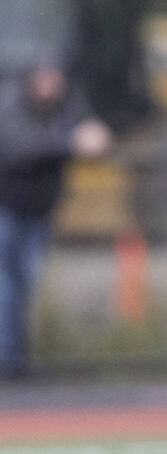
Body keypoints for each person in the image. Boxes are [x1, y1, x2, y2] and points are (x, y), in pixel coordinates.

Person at [0, 62, 112, 379]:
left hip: (39, 213)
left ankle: (14, 358)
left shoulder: (65, 107)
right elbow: (19, 146)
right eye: (45, 79)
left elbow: (90, 130)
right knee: (7, 287)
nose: (51, 85)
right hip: (7, 210)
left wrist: (95, 132)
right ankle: (7, 361)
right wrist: (70, 142)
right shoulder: (12, 105)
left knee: (25, 285)